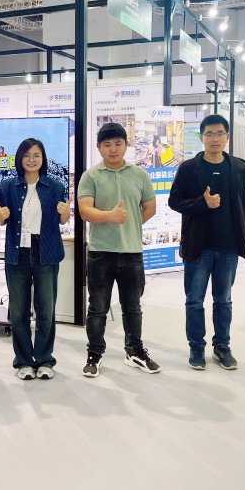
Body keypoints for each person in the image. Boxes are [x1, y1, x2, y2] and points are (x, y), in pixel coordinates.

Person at [77, 122, 159, 378]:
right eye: (107, 145)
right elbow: (84, 211)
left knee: (133, 307)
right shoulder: (90, 176)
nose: (113, 149)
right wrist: (110, 217)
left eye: (118, 144)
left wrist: (130, 225)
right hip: (100, 253)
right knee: (97, 308)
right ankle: (95, 353)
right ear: (99, 147)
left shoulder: (139, 174)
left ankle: (134, 351)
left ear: (126, 145)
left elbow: (150, 207)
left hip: (132, 252)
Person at [168, 114, 245, 371]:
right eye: (210, 134)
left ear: (227, 137)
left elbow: (243, 207)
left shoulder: (238, 168)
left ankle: (222, 346)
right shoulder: (189, 168)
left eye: (220, 133)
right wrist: (201, 204)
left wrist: (242, 239)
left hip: (228, 247)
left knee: (223, 300)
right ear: (201, 137)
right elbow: (174, 202)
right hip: (198, 247)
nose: (215, 138)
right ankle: (196, 347)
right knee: (194, 300)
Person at [0, 138, 71, 380]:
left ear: (43, 158)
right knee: (18, 311)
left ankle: (45, 359)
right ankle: (24, 361)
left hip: (45, 251)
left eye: (36, 155)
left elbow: (62, 220)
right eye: (27, 155)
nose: (31, 159)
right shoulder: (7, 186)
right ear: (19, 158)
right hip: (17, 252)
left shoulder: (55, 186)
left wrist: (66, 214)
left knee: (46, 310)